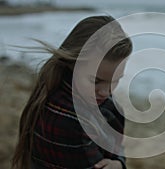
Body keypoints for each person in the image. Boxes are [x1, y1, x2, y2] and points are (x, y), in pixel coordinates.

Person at [11, 15, 132, 169]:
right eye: (95, 81)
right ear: (71, 64)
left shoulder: (57, 87)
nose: (105, 92)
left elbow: (116, 149)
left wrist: (119, 163)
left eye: (115, 80)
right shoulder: (73, 123)